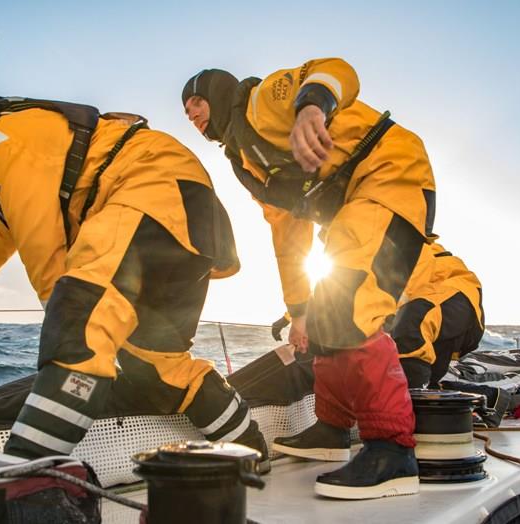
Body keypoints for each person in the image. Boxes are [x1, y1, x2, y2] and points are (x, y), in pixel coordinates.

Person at [0, 86, 270, 471]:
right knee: (159, 368)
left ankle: (22, 482)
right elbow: (0, 235)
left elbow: (40, 241)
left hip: (148, 190)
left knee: (81, 325)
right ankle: (253, 452)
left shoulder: (2, 140)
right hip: (189, 212)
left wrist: (68, 316)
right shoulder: (17, 147)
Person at [182, 58, 436, 499]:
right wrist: (298, 311)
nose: (191, 114)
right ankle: (332, 431)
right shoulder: (246, 160)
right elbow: (287, 233)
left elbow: (333, 69)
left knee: (349, 307)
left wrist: (312, 107)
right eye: (185, 111)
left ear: (218, 93)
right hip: (350, 208)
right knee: (321, 322)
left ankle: (393, 452)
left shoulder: (262, 102)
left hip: (390, 175)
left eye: (196, 101)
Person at [392, 241, 485, 389]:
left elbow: (409, 290)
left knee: (412, 324)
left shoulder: (403, 241)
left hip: (456, 294)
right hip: (438, 333)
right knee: (430, 381)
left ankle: (411, 401)